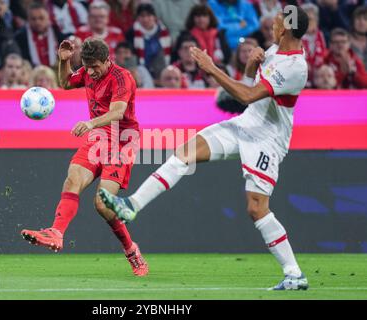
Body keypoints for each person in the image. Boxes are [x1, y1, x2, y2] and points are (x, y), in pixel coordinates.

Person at [99, 6, 310, 290]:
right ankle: (131, 206)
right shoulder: (273, 52)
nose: (271, 25)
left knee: (256, 209)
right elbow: (249, 92)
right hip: (246, 124)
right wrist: (249, 68)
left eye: (275, 22)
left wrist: (212, 69)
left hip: (267, 139)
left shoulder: (296, 67)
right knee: (185, 152)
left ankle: (294, 273)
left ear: (285, 28)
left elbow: (247, 94)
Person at [21, 38, 149, 277]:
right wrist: (64, 61)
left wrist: (89, 123)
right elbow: (66, 82)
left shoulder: (123, 78)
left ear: (107, 60)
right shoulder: (89, 71)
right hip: (98, 138)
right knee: (72, 180)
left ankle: (131, 251)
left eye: (95, 67)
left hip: (122, 141)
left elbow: (118, 112)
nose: (90, 72)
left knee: (102, 204)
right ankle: (56, 233)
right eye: (87, 66)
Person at [126, 3, 172, 81]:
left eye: (149, 15)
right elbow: (130, 56)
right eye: (142, 16)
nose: (145, 19)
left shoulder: (164, 32)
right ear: (137, 18)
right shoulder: (131, 33)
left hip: (161, 72)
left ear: (155, 17)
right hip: (140, 73)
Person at [14, 2, 64, 68]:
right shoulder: (20, 37)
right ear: (28, 19)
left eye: (41, 18)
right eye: (33, 19)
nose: (37, 22)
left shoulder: (57, 32)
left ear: (48, 18)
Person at [302, 3, 327, 88]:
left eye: (310, 19)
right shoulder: (294, 37)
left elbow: (324, 56)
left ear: (316, 20)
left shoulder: (321, 35)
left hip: (319, 81)